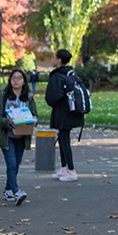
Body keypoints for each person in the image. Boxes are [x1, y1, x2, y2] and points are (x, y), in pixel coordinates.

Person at [0, 69, 37, 206]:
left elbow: (35, 115)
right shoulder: (4, 96)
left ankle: (8, 189)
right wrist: (8, 122)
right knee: (11, 163)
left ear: (24, 80)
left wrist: (34, 119)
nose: (16, 80)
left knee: (16, 165)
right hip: (8, 136)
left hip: (22, 136)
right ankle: (16, 192)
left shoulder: (29, 97)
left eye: (19, 78)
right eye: (13, 78)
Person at [44, 49, 83, 182]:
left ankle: (71, 171)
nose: (52, 59)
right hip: (71, 111)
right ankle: (64, 168)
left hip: (62, 113)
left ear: (59, 60)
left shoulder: (56, 76)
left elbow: (51, 98)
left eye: (54, 57)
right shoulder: (71, 73)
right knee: (62, 139)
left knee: (64, 141)